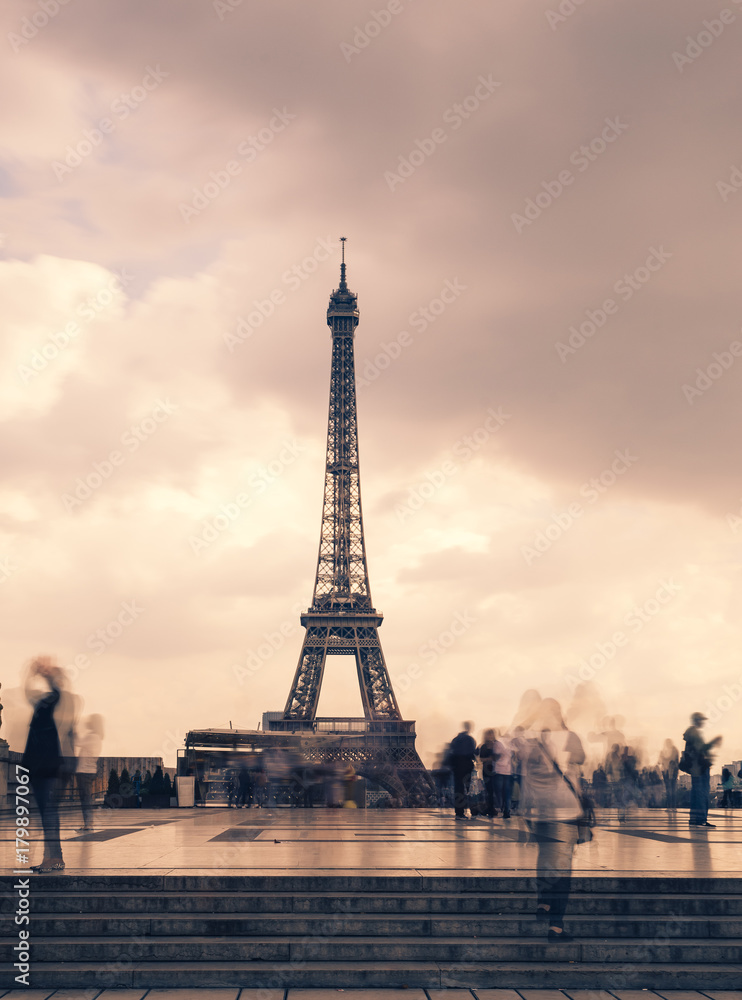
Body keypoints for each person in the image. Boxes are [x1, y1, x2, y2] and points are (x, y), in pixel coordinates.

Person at [521, 698, 586, 941]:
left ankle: (543, 902)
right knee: (563, 869)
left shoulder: (532, 742)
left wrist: (525, 811)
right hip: (566, 809)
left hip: (541, 810)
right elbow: (580, 761)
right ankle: (556, 925)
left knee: (545, 856)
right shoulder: (570, 737)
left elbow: (525, 778)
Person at [22, 656, 76, 872]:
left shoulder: (54, 701)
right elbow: (29, 694)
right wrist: (32, 673)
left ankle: (52, 858)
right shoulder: (43, 705)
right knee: (47, 814)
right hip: (40, 766)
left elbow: (57, 691)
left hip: (47, 766)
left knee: (49, 814)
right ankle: (54, 858)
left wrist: (45, 673)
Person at [683, 712, 721, 828]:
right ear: (697, 720)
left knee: (696, 793)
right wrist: (714, 741)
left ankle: (695, 820)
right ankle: (701, 819)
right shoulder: (695, 733)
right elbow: (702, 748)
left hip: (695, 768)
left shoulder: (690, 733)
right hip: (700, 768)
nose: (703, 722)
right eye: (701, 720)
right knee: (702, 794)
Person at [75, 714, 104, 831]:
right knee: (86, 798)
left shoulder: (92, 737)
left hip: (84, 771)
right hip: (89, 771)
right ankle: (88, 823)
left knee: (85, 799)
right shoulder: (97, 738)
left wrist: (72, 729)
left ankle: (88, 824)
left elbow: (77, 742)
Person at [448, 721, 477, 819]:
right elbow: (473, 752)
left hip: (456, 766)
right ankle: (470, 808)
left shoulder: (455, 739)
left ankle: (459, 812)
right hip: (466, 766)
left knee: (458, 789)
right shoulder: (470, 739)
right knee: (468, 789)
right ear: (469, 728)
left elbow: (451, 752)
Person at [492, 731, 514, 819]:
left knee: (500, 791)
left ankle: (503, 808)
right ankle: (506, 810)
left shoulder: (498, 744)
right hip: (507, 771)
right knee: (506, 792)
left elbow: (495, 756)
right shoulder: (509, 745)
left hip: (500, 771)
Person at [477, 729, 498, 818]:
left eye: (491, 735)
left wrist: (490, 758)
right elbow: (481, 759)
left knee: (495, 790)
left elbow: (497, 758)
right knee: (489, 790)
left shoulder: (496, 745)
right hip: (486, 771)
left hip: (496, 770)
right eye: (488, 735)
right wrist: (490, 758)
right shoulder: (483, 746)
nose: (490, 736)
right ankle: (490, 808)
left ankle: (492, 808)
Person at [658, 738, 679, 812]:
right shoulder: (674, 750)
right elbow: (676, 761)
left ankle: (670, 806)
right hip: (671, 772)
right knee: (671, 789)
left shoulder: (665, 751)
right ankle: (672, 806)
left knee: (669, 789)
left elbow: (659, 761)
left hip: (669, 772)